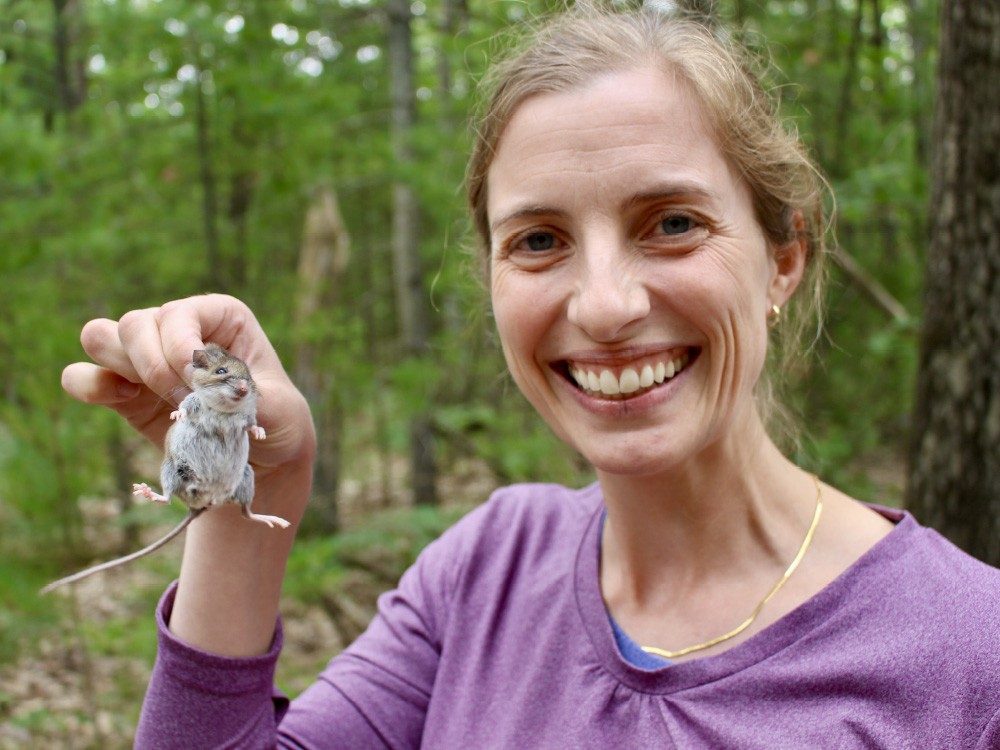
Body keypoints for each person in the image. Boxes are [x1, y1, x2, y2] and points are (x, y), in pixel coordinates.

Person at [61, 6, 999, 748]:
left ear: (784, 259)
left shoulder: (967, 658)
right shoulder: (488, 571)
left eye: (671, 222)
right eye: (540, 240)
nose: (601, 305)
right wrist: (251, 483)